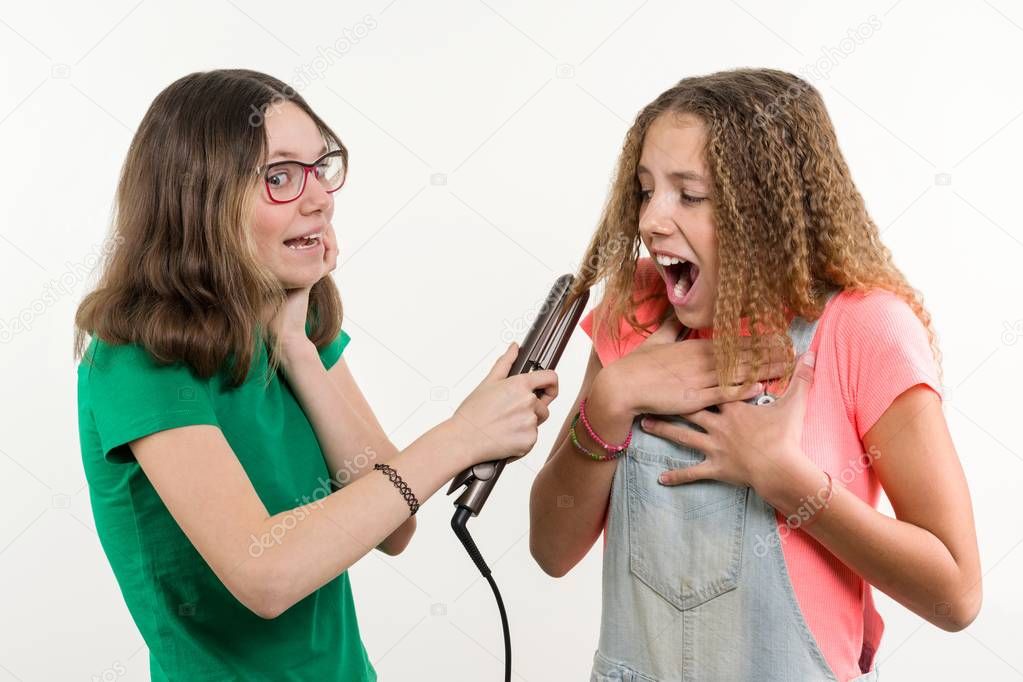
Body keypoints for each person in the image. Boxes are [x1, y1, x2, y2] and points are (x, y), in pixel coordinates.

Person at [74, 69, 558, 682]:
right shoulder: (137, 360)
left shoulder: (291, 326)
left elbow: (394, 524)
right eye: (279, 177)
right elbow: (267, 575)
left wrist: (297, 349)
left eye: (320, 167)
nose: (319, 197)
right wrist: (461, 436)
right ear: (198, 201)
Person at [529, 68, 980, 681]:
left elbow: (955, 595)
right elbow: (551, 551)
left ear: (771, 211)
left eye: (690, 195)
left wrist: (788, 482)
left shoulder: (862, 328)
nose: (652, 220)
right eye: (645, 190)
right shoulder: (636, 310)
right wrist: (611, 399)